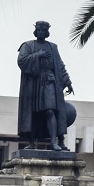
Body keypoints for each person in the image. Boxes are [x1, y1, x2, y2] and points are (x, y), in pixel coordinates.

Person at [17, 20, 74, 151]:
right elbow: (22, 60)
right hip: (33, 82)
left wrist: (67, 81)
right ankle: (32, 142)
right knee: (34, 113)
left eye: (43, 30)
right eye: (39, 29)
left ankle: (54, 142)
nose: (41, 32)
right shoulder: (27, 45)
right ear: (36, 31)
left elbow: (59, 65)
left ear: (47, 32)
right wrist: (39, 55)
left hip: (49, 81)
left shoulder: (53, 47)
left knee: (50, 110)